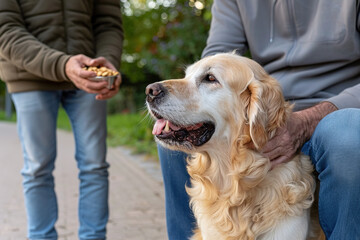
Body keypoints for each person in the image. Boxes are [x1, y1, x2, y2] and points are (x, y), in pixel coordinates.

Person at [157, 1, 360, 239]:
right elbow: (216, 57)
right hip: (261, 106)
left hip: (341, 107)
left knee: (348, 134)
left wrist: (308, 120)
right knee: (173, 135)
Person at [0, 1, 123, 239]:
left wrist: (108, 61)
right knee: (37, 167)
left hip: (90, 74)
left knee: (95, 165)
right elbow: (5, 28)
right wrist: (62, 64)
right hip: (29, 76)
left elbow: (108, 22)